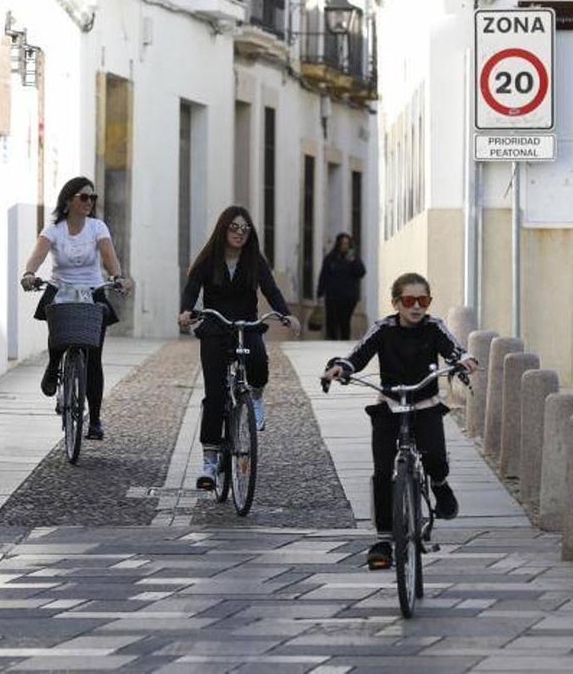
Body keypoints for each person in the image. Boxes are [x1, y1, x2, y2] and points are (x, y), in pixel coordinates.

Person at [322, 272, 479, 569]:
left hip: (425, 403)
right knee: (382, 472)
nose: (417, 307)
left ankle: (440, 485)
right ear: (396, 303)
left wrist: (462, 359)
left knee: (434, 458)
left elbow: (452, 348)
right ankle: (383, 540)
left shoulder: (434, 327)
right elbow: (358, 355)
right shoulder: (383, 328)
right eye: (409, 301)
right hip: (390, 405)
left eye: (423, 300)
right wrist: (341, 368)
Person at [178, 206, 301, 490]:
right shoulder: (209, 258)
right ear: (223, 229)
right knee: (215, 394)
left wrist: (286, 314)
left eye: (245, 229)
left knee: (257, 359)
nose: (239, 234)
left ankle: (255, 396)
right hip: (215, 326)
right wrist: (186, 310)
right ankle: (209, 462)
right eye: (234, 228)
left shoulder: (254, 260)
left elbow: (271, 289)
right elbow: (192, 287)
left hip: (245, 324)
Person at [20, 176, 132, 441]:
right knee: (58, 333)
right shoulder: (54, 229)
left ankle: (94, 420)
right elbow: (38, 253)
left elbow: (108, 256)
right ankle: (53, 364)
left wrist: (117, 277)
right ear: (69, 200)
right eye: (84, 197)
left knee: (94, 357)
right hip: (61, 289)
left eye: (93, 197)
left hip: (92, 291)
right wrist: (29, 273)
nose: (89, 202)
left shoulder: (97, 227)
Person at [316, 232, 366, 340]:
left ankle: (344, 340)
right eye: (343, 244)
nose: (345, 246)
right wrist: (320, 293)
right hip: (332, 296)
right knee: (332, 321)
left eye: (347, 244)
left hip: (348, 297)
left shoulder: (353, 258)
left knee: (344, 320)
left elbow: (361, 272)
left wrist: (353, 261)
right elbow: (323, 276)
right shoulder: (330, 258)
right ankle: (332, 340)